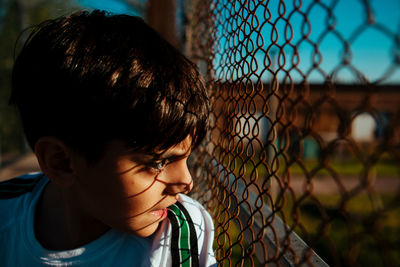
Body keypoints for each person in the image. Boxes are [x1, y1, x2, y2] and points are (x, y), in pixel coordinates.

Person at [0, 10, 216, 267]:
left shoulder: (179, 234)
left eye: (185, 157)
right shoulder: (5, 213)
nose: (187, 182)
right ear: (61, 162)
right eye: (158, 162)